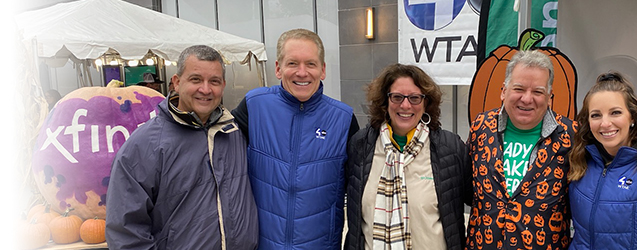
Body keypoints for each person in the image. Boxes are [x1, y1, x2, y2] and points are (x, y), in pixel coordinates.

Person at [105, 45, 258, 249]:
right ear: (177, 83)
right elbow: (126, 232)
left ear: (223, 85)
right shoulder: (144, 145)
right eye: (196, 79)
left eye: (214, 81)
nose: (205, 89)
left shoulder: (234, 132)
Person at [231, 28, 359, 250]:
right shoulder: (254, 106)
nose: (302, 72)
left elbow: (362, 186)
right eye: (292, 63)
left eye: (310, 64)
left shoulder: (343, 119)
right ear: (278, 68)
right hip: (261, 244)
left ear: (323, 70)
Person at [344, 64, 471, 250]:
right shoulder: (360, 146)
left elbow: (479, 201)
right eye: (397, 97)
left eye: (415, 98)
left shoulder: (450, 149)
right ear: (385, 101)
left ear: (426, 103)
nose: (405, 105)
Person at [466, 50, 576, 250]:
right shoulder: (481, 128)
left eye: (538, 92)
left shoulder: (570, 137)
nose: (526, 99)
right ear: (503, 91)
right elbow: (467, 190)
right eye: (519, 89)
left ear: (549, 97)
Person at [567, 72, 637, 249]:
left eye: (615, 113)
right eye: (596, 115)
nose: (605, 123)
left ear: (632, 117)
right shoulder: (580, 161)